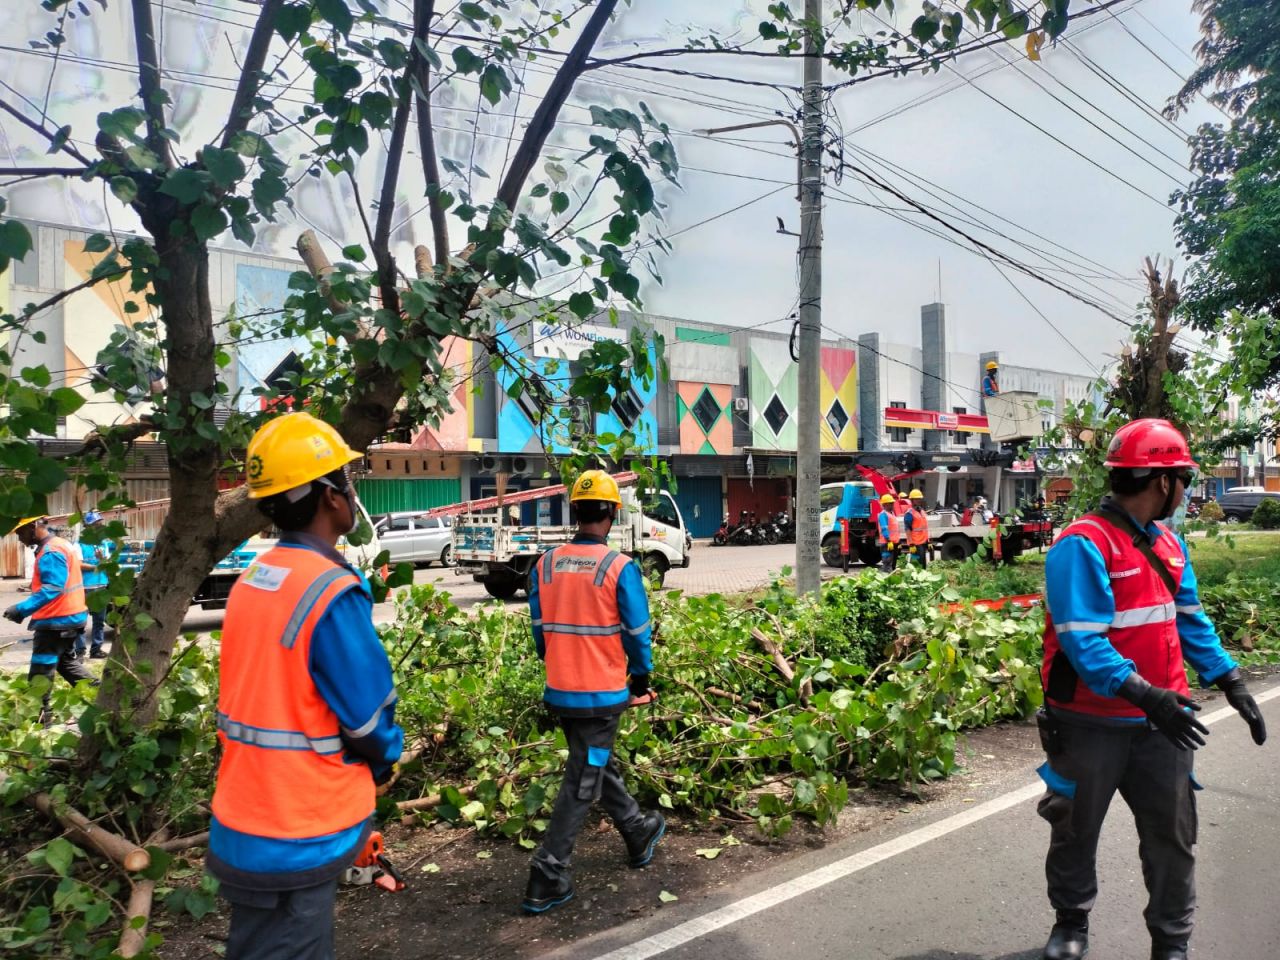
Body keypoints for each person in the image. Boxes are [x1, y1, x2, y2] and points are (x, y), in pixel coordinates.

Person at [1036, 418, 1267, 960]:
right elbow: (1082, 642)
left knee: (1173, 836)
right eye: (1185, 479)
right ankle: (1071, 921)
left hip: (1164, 724)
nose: (1185, 490)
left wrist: (1231, 679)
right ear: (1164, 482)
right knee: (1074, 828)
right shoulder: (1082, 545)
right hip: (1090, 721)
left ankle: (1171, 940)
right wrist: (1147, 695)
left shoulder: (1168, 544)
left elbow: (1190, 620)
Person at [208, 412, 403, 960]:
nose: (351, 490)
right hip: (298, 825)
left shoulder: (255, 578)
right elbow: (368, 717)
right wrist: (384, 761)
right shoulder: (329, 589)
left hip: (245, 813)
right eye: (347, 479)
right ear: (330, 497)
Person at [523, 469, 665, 914]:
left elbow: (539, 632)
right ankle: (547, 873)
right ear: (611, 513)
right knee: (584, 777)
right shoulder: (618, 567)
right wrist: (641, 678)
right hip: (600, 697)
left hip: (562, 690)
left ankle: (636, 829)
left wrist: (560, 663)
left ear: (576, 512)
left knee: (593, 763)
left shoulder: (545, 564)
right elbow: (637, 633)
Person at [3, 517, 96, 721]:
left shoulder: (50, 552)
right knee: (66, 664)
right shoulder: (60, 544)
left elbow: (53, 588)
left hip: (57, 621)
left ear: (33, 526)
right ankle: (105, 697)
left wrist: (20, 609)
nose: (19, 539)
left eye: (20, 533)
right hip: (70, 617)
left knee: (40, 672)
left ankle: (39, 718)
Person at [76, 511, 113, 659]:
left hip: (101, 587)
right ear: (87, 527)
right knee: (80, 622)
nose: (99, 527)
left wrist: (103, 559)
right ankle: (80, 651)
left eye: (100, 524)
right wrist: (96, 567)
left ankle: (96, 650)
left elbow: (108, 563)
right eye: (96, 524)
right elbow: (78, 564)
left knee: (99, 622)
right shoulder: (79, 544)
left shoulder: (103, 544)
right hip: (84, 588)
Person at [903, 489, 929, 568]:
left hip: (923, 542)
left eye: (919, 498)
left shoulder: (922, 511)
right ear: (912, 500)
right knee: (917, 565)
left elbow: (925, 528)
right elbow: (907, 529)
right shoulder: (909, 513)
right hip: (916, 544)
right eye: (916, 499)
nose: (919, 500)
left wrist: (928, 541)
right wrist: (911, 544)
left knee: (923, 565)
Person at [876, 493, 899, 572]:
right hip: (887, 543)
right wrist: (889, 540)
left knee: (892, 564)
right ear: (885, 504)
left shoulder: (891, 514)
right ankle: (886, 577)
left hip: (893, 543)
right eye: (891, 503)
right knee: (887, 563)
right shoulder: (883, 515)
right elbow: (884, 529)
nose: (893, 505)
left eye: (892, 503)